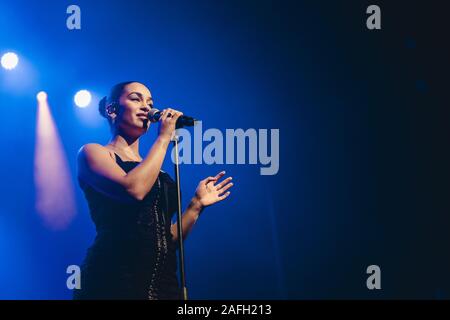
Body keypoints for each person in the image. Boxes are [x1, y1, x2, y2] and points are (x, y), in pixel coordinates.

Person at [73, 81, 233, 299]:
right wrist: (164, 137)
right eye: (136, 99)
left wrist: (195, 206)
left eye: (150, 102)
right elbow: (133, 189)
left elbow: (167, 239)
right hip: (114, 277)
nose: (147, 107)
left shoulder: (154, 170)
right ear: (112, 110)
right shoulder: (94, 153)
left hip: (163, 283)